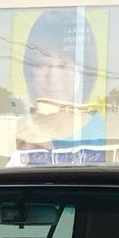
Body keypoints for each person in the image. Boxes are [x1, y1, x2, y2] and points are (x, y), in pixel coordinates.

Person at [13, 9, 105, 160]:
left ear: (85, 71)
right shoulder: (21, 130)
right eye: (41, 63)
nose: (52, 77)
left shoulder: (103, 133)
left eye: (64, 65)